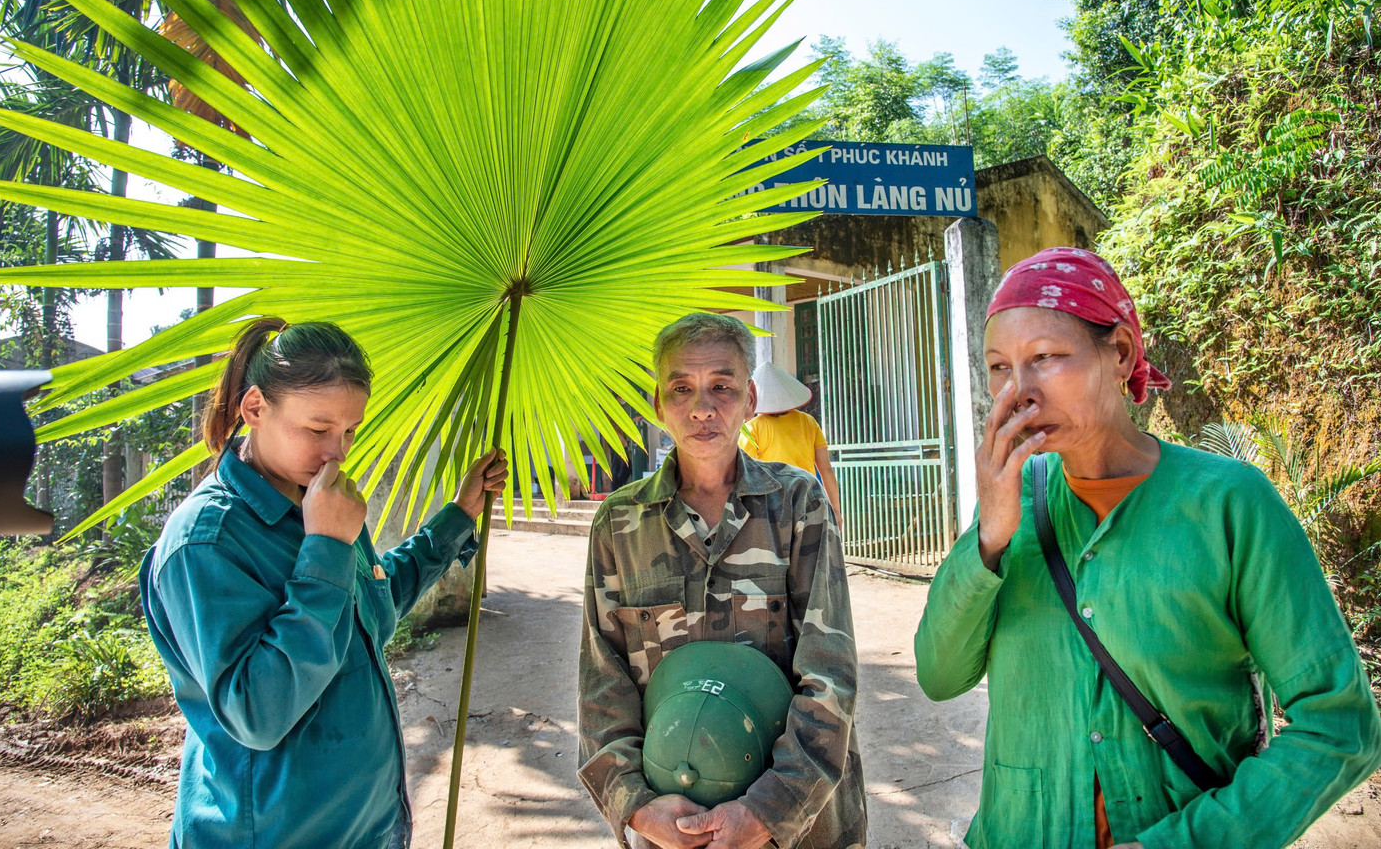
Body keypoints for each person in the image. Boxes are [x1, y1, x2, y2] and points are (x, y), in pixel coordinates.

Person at [914, 247, 1381, 849]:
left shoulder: (1229, 505)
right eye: (1000, 367)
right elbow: (938, 675)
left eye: (1047, 358)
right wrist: (989, 538)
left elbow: (1340, 723)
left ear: (1122, 355)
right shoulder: (1010, 507)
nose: (1020, 391)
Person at [139, 317, 508, 849]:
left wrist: (458, 515)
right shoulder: (206, 543)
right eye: (318, 429)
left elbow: (370, 605)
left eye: (350, 430)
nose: (338, 452)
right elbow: (258, 713)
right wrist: (327, 550)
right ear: (255, 409)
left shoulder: (319, 498)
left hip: (368, 826)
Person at [578, 313, 867, 849]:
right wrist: (637, 808)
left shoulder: (797, 503)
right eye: (682, 388)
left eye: (722, 387)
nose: (703, 408)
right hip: (671, 823)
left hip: (796, 825)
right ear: (658, 403)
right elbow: (604, 681)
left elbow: (830, 672)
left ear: (751, 399)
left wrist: (767, 812)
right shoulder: (619, 523)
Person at [739, 362, 842, 528]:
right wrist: (835, 510)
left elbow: (747, 475)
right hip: (809, 500)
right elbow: (826, 469)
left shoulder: (752, 428)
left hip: (773, 508)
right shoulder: (808, 421)